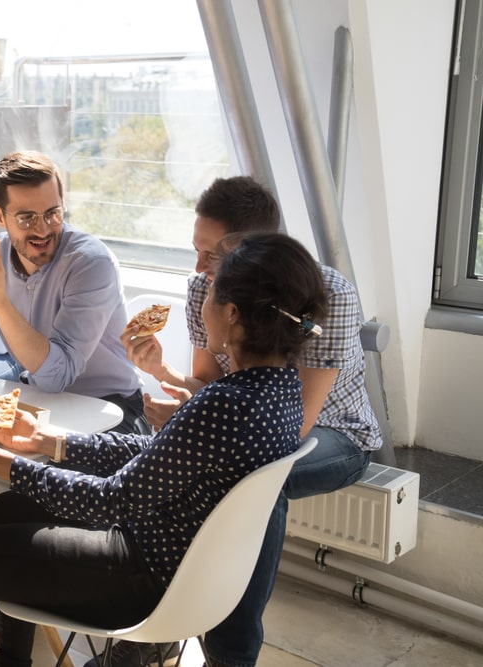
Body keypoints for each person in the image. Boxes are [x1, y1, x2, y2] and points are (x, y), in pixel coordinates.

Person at [0, 232, 330, 667]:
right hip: (181, 566)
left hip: (141, 577)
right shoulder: (279, 391)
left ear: (231, 314)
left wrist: (6, 464)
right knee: (13, 510)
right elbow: (158, 453)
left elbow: (111, 500)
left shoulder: (224, 403)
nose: (202, 300)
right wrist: (49, 442)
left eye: (210, 291)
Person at [110, 175, 382, 667]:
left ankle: (229, 656)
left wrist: (190, 427)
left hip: (336, 433)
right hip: (250, 426)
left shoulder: (326, 294)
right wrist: (162, 374)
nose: (198, 269)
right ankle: (158, 616)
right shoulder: (203, 291)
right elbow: (210, 387)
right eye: (196, 251)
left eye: (210, 255)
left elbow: (292, 426)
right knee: (190, 457)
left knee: (256, 481)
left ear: (254, 249)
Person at [0, 150, 150, 435]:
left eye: (52, 214)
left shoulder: (91, 263)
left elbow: (58, 376)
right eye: (27, 218)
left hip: (112, 411)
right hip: (39, 400)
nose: (43, 230)